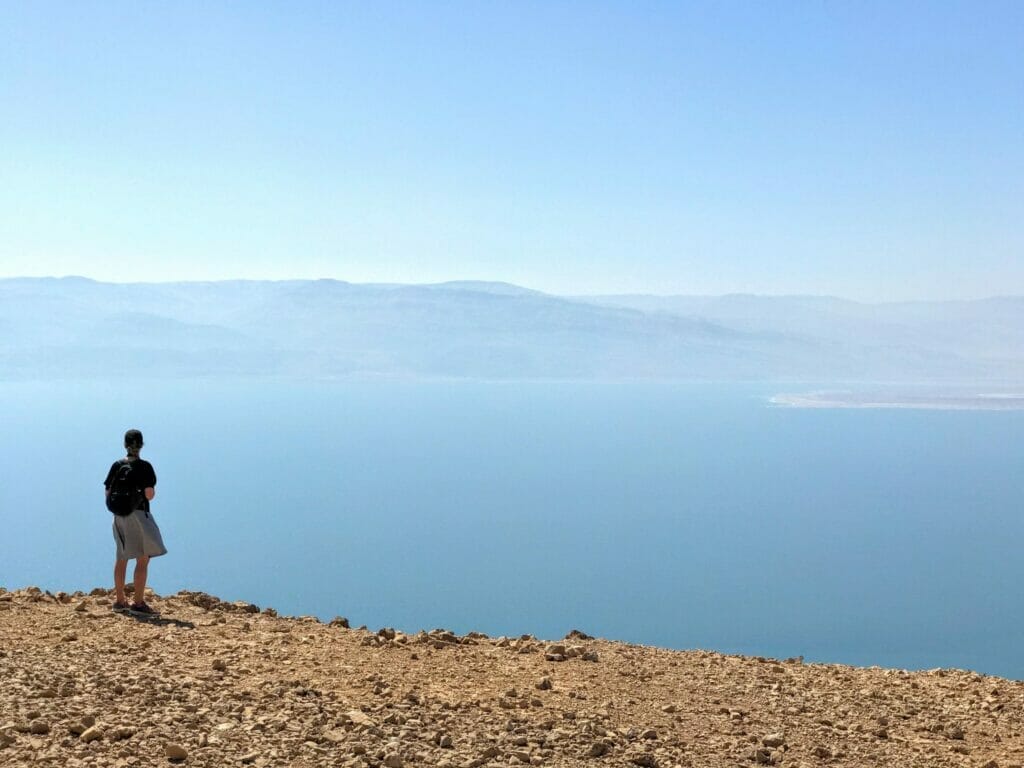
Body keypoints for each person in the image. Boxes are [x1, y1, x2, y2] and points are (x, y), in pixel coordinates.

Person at [103, 429, 167, 615]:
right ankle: (138, 603)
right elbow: (149, 495)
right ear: (141, 445)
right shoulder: (145, 467)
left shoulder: (116, 465)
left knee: (121, 557)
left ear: (125, 445)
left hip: (118, 516)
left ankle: (120, 601)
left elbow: (107, 492)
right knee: (143, 557)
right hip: (138, 515)